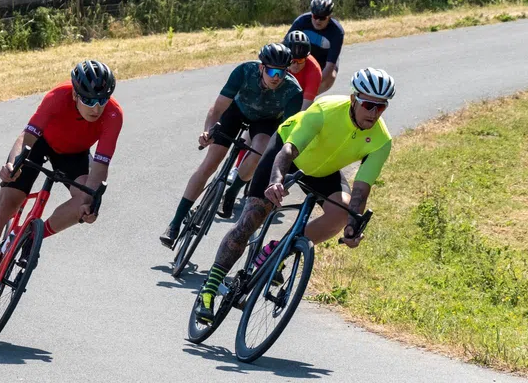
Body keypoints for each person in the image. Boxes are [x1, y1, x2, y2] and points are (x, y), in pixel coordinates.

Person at [194, 68, 396, 322]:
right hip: (287, 153)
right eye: (369, 105)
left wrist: (354, 226)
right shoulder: (326, 109)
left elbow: (361, 189)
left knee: (342, 211)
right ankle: (209, 289)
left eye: (381, 108)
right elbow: (288, 150)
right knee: (252, 217)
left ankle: (279, 251)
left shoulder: (381, 140)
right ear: (354, 99)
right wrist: (277, 182)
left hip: (323, 170)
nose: (374, 113)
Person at [0, 60, 122, 312]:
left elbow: (100, 167)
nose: (96, 107)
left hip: (74, 154)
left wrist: (90, 202)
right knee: (6, 205)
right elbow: (26, 138)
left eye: (102, 100)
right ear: (75, 93)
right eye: (89, 100)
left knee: (86, 199)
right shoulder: (57, 97)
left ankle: (32, 237)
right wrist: (11, 165)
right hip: (38, 144)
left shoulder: (114, 115)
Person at [159, 43, 303, 248]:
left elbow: (288, 133)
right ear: (261, 67)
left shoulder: (293, 91)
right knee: (210, 164)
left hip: (266, 120)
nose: (276, 77)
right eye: (271, 71)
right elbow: (217, 108)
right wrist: (208, 131)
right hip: (236, 111)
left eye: (282, 72)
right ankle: (174, 225)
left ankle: (232, 191)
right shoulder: (244, 71)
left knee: (261, 149)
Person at [222, 31, 323, 195]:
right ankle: (238, 165)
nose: (296, 65)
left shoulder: (314, 71)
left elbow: (302, 110)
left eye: (301, 60)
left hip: (291, 99)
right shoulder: (277, 62)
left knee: (270, 138)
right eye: (294, 61)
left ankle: (248, 174)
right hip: (268, 92)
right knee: (251, 125)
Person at [288, 0, 344, 95]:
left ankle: (306, 98)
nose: (318, 21)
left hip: (324, 61)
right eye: (315, 17)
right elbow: (285, 45)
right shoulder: (302, 21)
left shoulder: (337, 32)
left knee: (330, 77)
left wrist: (313, 84)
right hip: (303, 56)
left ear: (329, 17)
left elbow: (330, 66)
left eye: (322, 18)